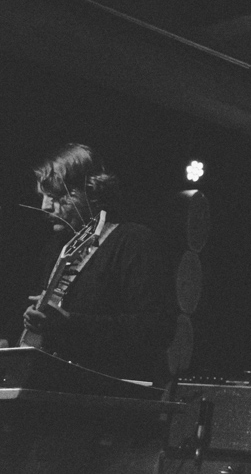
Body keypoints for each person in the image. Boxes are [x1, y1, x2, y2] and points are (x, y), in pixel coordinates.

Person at [14, 143, 176, 385]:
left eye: (57, 196)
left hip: (114, 397)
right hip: (62, 389)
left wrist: (69, 323)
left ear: (90, 192)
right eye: (43, 196)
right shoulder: (56, 248)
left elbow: (154, 329)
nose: (45, 206)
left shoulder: (134, 241)